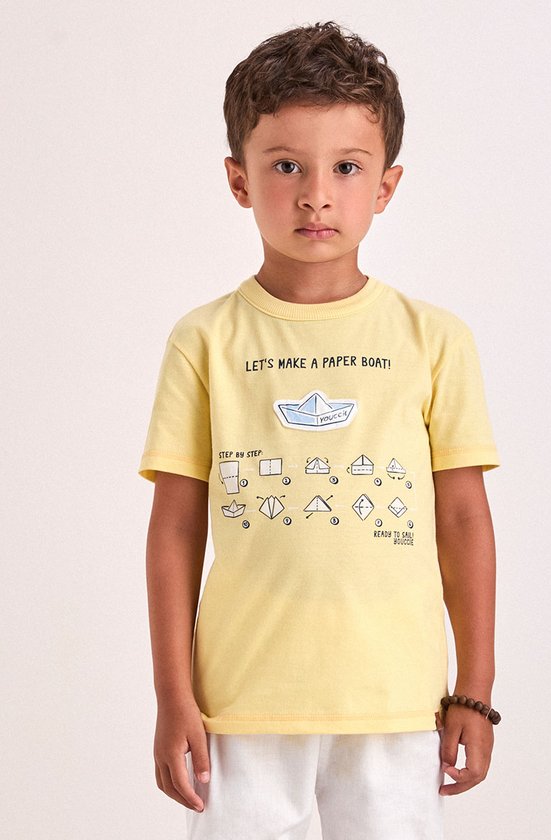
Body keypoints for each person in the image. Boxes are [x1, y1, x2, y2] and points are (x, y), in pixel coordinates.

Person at [138, 20, 501, 840]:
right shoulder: (205, 341)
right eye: (286, 166)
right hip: (240, 710)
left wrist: (474, 692)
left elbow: (463, 519)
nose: (316, 194)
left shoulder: (434, 340)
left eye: (346, 167)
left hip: (397, 707)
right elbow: (175, 529)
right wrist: (173, 696)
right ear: (239, 180)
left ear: (387, 185)